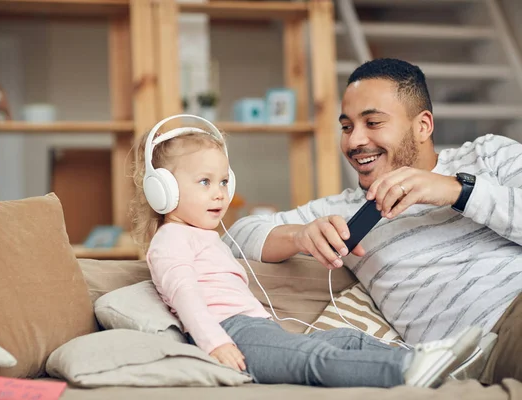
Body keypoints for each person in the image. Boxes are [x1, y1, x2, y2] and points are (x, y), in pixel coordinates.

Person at [129, 114, 482, 389]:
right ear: (163, 191)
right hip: (231, 335)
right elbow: (185, 296)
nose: (220, 193)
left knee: (346, 338)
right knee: (315, 358)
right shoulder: (170, 240)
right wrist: (215, 344)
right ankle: (405, 370)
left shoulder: (206, 237)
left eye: (224, 181)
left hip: (257, 329)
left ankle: (434, 363)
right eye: (205, 182)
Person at [223, 59, 522, 383]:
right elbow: (234, 239)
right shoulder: (344, 209)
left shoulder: (487, 155)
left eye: (373, 123)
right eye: (347, 127)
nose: (353, 142)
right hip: (482, 349)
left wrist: (457, 191)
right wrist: (299, 236)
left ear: (422, 126)